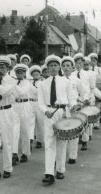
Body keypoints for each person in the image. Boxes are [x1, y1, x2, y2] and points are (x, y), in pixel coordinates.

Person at [38, 55, 78, 185]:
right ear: (47, 68)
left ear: (59, 67)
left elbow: (71, 98)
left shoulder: (66, 82)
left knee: (62, 143)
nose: (53, 68)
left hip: (63, 113)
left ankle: (60, 169)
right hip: (49, 113)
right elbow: (40, 103)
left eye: (55, 65)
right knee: (49, 143)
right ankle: (49, 173)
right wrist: (45, 111)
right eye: (51, 66)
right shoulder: (42, 84)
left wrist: (74, 106)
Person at [61, 56, 86, 164]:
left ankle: (72, 155)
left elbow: (83, 93)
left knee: (73, 133)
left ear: (72, 67)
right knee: (62, 134)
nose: (66, 68)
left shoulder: (77, 80)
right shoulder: (59, 80)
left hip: (74, 109)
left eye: (68, 66)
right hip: (62, 109)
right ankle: (61, 157)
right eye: (64, 66)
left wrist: (79, 103)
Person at [12, 63, 32, 165]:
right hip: (15, 105)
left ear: (25, 73)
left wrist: (13, 84)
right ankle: (14, 154)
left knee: (25, 130)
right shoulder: (13, 82)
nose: (20, 74)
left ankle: (25, 153)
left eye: (22, 72)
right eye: (18, 72)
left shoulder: (27, 82)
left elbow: (22, 92)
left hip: (24, 105)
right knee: (14, 131)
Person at [88, 52, 101, 130]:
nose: (93, 62)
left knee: (98, 108)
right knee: (91, 108)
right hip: (90, 91)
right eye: (92, 60)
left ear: (96, 61)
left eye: (95, 60)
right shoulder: (87, 70)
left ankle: (96, 123)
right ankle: (91, 123)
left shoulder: (100, 69)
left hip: (99, 90)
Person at [28, 65, 44, 149]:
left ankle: (39, 140)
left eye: (37, 74)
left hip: (38, 103)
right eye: (34, 75)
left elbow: (37, 92)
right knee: (31, 123)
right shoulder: (29, 83)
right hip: (30, 103)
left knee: (40, 123)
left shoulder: (42, 83)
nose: (35, 76)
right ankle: (30, 140)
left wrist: (31, 86)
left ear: (40, 75)